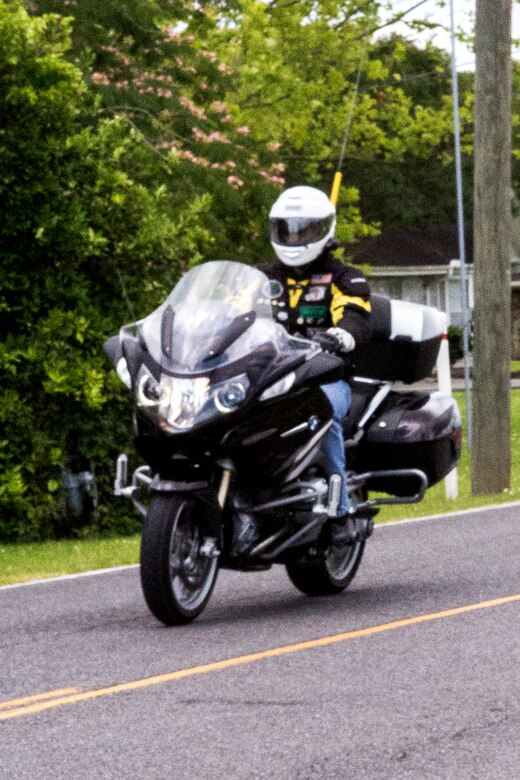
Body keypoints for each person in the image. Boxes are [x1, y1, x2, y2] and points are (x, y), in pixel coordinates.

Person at [260, 185, 372, 544]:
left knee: (321, 413)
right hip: (269, 377)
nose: (294, 238)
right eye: (287, 229)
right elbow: (229, 315)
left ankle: (340, 511)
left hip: (324, 377)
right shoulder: (261, 278)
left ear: (324, 230)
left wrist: (341, 336)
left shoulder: (345, 277)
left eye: (303, 230)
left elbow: (355, 317)